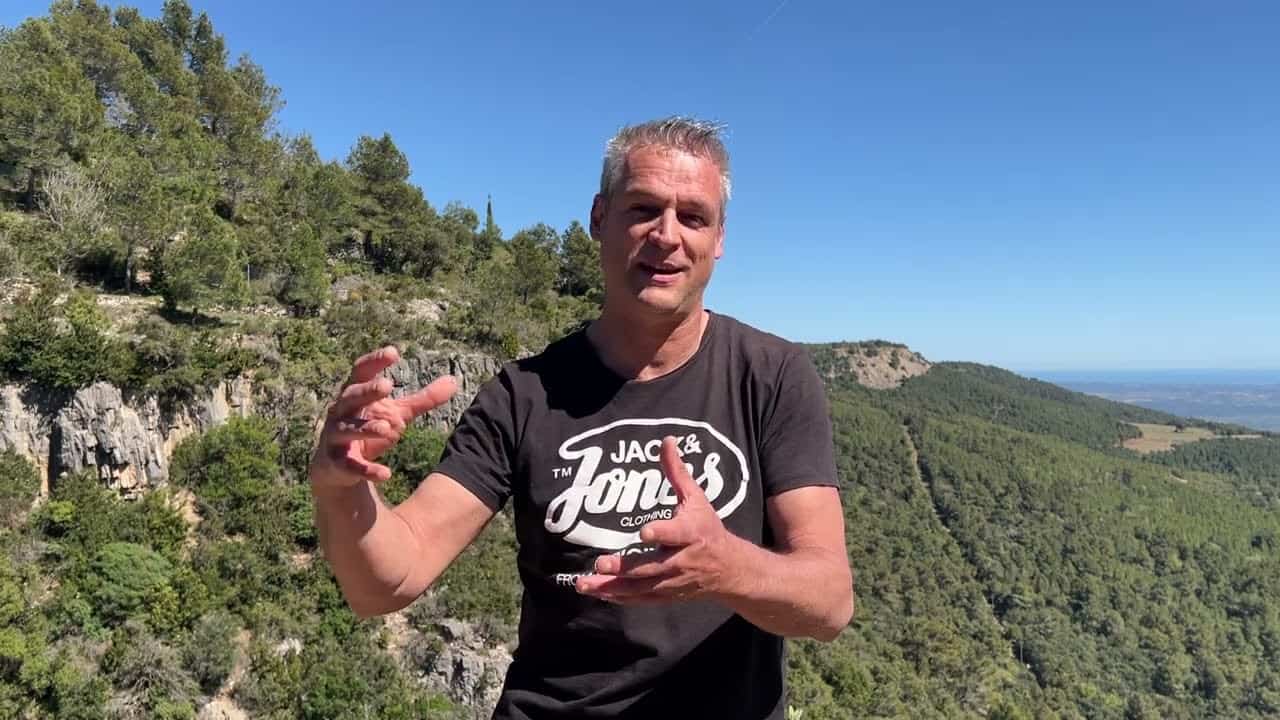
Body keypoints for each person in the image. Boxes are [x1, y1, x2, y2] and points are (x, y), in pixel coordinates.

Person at [310, 117, 854, 719]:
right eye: (643, 208)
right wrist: (342, 486)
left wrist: (728, 567)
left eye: (693, 217)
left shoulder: (772, 376)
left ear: (718, 238)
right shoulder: (522, 396)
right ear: (599, 218)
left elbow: (829, 603)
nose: (667, 235)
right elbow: (384, 583)